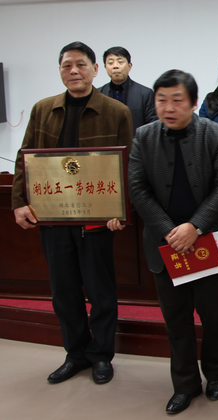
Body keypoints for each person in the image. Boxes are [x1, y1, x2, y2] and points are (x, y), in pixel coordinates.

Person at [11, 41, 133, 384]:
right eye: (67, 65)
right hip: (53, 218)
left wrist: (123, 210)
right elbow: (25, 156)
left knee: (101, 292)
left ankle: (101, 356)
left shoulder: (116, 111)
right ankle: (75, 354)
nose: (74, 71)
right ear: (60, 71)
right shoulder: (43, 109)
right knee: (64, 293)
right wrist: (19, 201)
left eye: (81, 64)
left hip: (96, 220)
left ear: (95, 69)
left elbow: (128, 164)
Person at [128, 69, 218, 414]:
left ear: (193, 103)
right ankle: (185, 385)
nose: (168, 107)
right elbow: (137, 188)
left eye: (177, 100)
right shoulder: (144, 137)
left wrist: (194, 226)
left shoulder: (216, 134)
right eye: (161, 100)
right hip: (166, 246)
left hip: (208, 241)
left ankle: (216, 375)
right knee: (176, 320)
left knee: (214, 316)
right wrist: (170, 230)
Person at [99, 46, 157, 135]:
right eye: (110, 63)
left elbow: (152, 127)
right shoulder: (98, 94)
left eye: (120, 62)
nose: (115, 66)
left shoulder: (145, 93)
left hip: (136, 143)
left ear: (129, 66)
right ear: (105, 67)